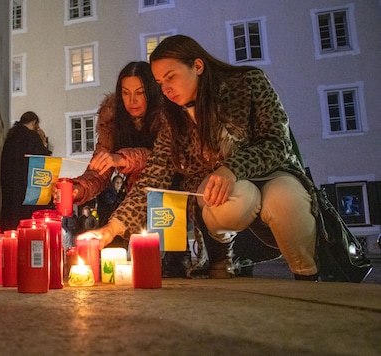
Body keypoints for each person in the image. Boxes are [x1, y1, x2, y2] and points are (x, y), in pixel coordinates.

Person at [79, 35, 320, 281]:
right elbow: (155, 175)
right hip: (230, 191)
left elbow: (277, 142)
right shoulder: (174, 118)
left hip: (272, 173)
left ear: (197, 66)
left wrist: (232, 169)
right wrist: (113, 228)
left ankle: (307, 275)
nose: (166, 89)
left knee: (285, 201)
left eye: (171, 77)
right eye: (160, 83)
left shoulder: (247, 84)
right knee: (224, 199)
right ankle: (227, 251)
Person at [69, 61, 168, 246]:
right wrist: (79, 188)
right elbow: (99, 169)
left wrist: (121, 159)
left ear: (152, 91)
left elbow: (160, 158)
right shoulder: (112, 120)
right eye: (126, 92)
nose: (132, 100)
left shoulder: (167, 115)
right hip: (133, 196)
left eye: (140, 92)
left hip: (169, 190)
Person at [0, 111, 53, 231]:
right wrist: (44, 144)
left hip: (10, 190)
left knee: (11, 222)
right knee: (27, 224)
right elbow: (43, 161)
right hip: (28, 192)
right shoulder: (31, 137)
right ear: (34, 122)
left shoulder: (10, 138)